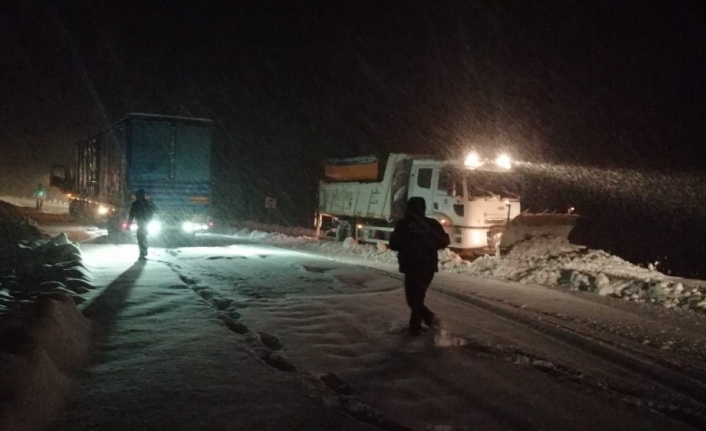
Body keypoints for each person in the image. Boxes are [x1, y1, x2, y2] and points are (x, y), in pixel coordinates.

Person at [389, 197, 450, 336]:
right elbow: (444, 241)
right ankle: (415, 326)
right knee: (418, 297)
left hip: (411, 266)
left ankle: (431, 321)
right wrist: (428, 243)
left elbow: (393, 244)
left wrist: (409, 245)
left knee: (412, 299)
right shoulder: (431, 224)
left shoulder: (404, 224)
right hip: (428, 266)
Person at [128, 189, 158, 260]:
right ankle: (144, 250)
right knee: (143, 237)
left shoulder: (135, 204)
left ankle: (143, 251)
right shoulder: (148, 203)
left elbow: (131, 215)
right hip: (147, 223)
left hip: (141, 223)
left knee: (141, 237)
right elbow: (156, 210)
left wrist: (129, 224)